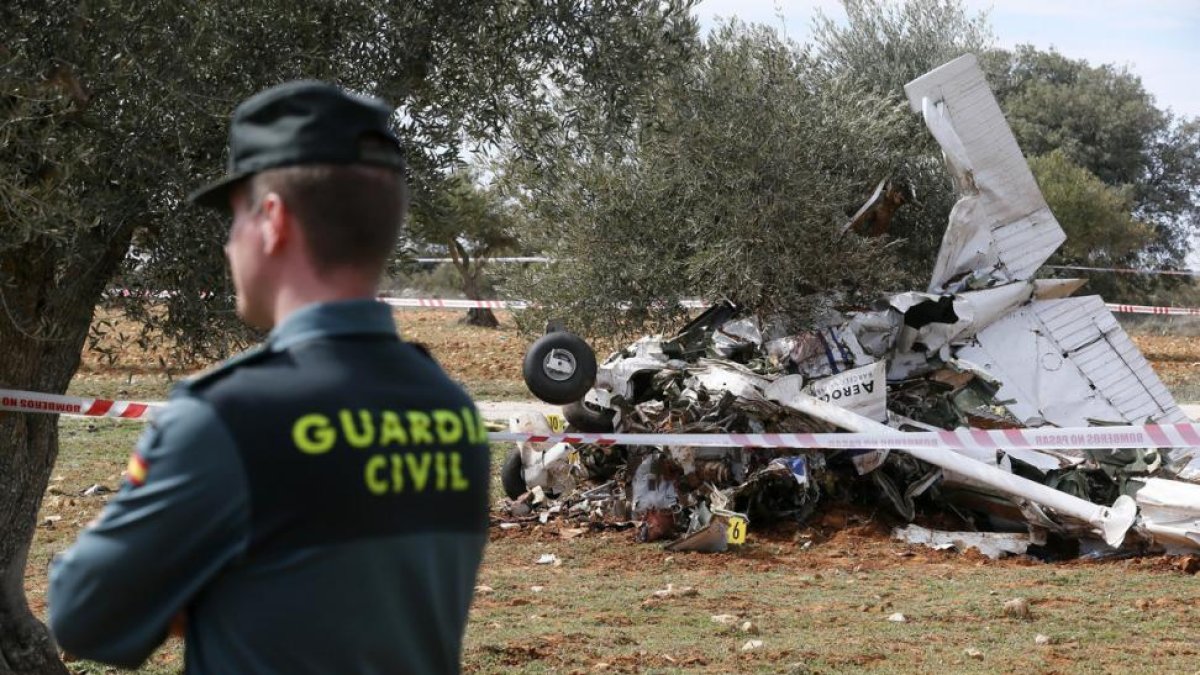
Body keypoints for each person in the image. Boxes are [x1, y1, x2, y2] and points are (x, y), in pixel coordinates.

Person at [48, 81, 491, 674]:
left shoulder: (226, 417)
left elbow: (84, 614)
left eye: (234, 220)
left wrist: (192, 587)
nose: (230, 245)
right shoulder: (452, 411)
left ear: (273, 220)